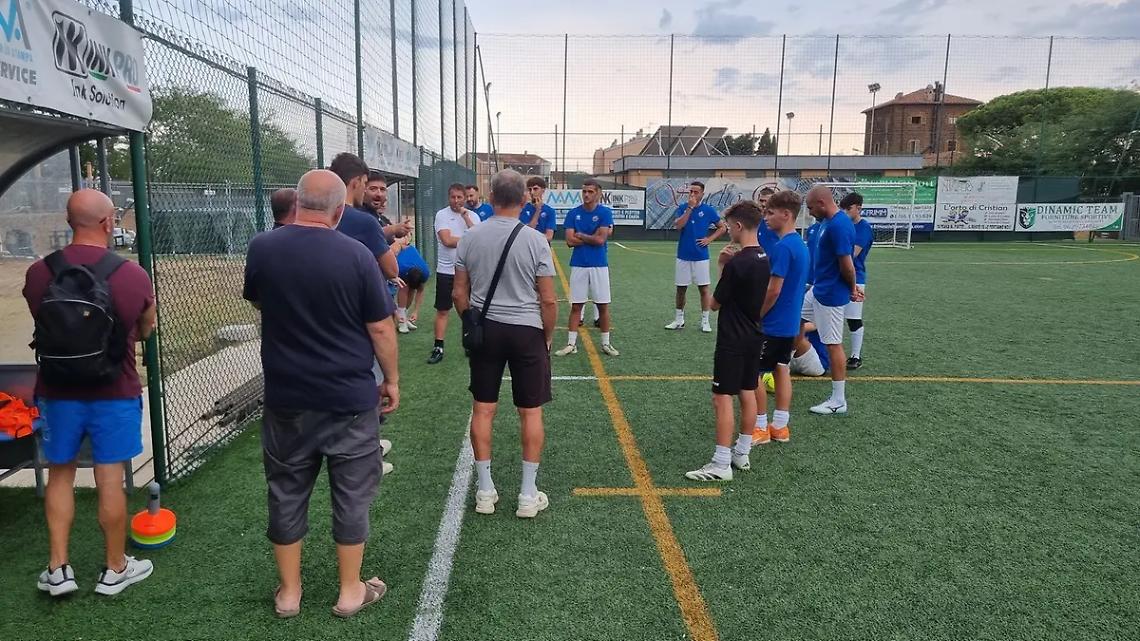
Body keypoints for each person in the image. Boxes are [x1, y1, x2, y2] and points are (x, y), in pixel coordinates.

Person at [243, 169, 400, 619]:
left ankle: (289, 593)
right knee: (351, 493)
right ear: (339, 210)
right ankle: (350, 591)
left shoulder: (263, 247)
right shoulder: (356, 255)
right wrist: (391, 380)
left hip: (287, 396)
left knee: (285, 489)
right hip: (348, 397)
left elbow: (258, 298)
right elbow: (380, 327)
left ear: (297, 203)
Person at [23, 189, 157, 597]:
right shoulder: (132, 275)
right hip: (114, 390)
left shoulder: (39, 273)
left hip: (57, 391)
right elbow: (146, 328)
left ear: (68, 222)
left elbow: (44, 322)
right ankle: (115, 569)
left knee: (60, 474)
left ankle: (58, 569)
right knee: (110, 478)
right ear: (108, 222)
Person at [453, 169, 558, 518]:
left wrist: (471, 322)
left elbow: (459, 293)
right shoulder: (535, 240)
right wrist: (546, 336)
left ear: (491, 197)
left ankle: (485, 491)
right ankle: (527, 494)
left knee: (483, 409)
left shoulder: (470, 236)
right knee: (530, 411)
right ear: (524, 198)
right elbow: (548, 300)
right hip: (526, 330)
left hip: (487, 330)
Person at [684, 200, 769, 482]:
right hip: (754, 334)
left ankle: (721, 464)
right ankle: (741, 452)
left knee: (721, 397)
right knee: (747, 390)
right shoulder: (764, 258)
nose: (728, 231)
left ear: (739, 226)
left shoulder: (738, 263)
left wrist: (721, 265)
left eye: (730, 226)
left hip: (733, 338)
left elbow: (713, 304)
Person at [752, 190, 810, 446]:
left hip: (773, 325)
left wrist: (757, 315)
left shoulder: (783, 247)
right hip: (789, 324)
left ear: (786, 215)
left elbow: (774, 290)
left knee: (752, 373)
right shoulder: (800, 244)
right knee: (781, 369)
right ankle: (780, 426)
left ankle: (760, 426)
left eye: (770, 212)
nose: (765, 217)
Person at [801, 186, 863, 415]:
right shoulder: (826, 222)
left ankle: (838, 400)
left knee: (833, 344)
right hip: (818, 289)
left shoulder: (839, 225)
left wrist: (852, 288)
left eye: (810, 207)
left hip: (831, 295)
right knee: (794, 323)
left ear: (821, 202)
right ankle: (781, 365)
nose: (809, 212)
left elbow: (847, 265)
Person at [555, 178, 619, 357]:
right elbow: (569, 241)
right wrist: (592, 236)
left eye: (590, 192)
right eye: (584, 191)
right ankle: (571, 344)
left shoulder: (605, 212)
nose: (586, 195)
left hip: (599, 265)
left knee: (603, 306)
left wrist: (581, 235)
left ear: (598, 194)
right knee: (576, 306)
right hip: (579, 264)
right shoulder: (573, 213)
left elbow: (601, 240)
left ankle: (606, 344)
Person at [430, 183, 480, 364]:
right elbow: (447, 240)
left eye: (460, 197)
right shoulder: (441, 215)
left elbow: (479, 240)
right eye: (453, 197)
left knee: (469, 310)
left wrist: (466, 218)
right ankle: (438, 347)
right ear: (448, 197)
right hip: (446, 271)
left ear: (465, 198)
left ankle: (470, 342)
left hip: (469, 271)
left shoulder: (473, 216)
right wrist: (470, 239)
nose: (456, 201)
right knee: (443, 310)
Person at [666, 181, 725, 333]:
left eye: (695, 192)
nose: (692, 194)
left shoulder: (708, 210)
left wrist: (709, 239)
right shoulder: (682, 208)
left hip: (701, 257)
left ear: (702, 194)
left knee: (703, 289)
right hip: (683, 256)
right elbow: (678, 225)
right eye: (690, 191)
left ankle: (705, 321)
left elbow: (722, 227)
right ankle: (679, 320)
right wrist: (690, 208)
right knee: (681, 289)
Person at [329, 154, 398, 282]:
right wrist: (397, 245)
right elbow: (392, 271)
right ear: (356, 182)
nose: (364, 190)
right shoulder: (365, 222)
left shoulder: (320, 215)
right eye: (365, 183)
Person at [840, 192, 872, 370]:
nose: (845, 212)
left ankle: (855, 356)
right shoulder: (844, 225)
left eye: (848, 209)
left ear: (858, 208)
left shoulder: (863, 227)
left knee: (853, 318)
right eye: (843, 209)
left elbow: (852, 254)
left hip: (856, 278)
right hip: (839, 276)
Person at [365, 172, 413, 242]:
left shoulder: (380, 218)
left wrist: (400, 232)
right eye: (373, 189)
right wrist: (393, 230)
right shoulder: (358, 214)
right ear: (363, 190)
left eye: (382, 189)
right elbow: (368, 236)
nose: (379, 194)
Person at [396, 241, 431, 334]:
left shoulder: (425, 272)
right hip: (399, 253)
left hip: (410, 253)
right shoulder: (401, 267)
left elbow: (420, 291)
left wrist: (416, 311)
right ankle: (401, 321)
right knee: (404, 288)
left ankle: (405, 317)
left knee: (411, 289)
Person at [520, 176, 557, 244]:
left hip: (542, 248)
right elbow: (527, 233)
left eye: (535, 189)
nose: (532, 192)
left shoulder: (550, 211)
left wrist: (532, 237)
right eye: (530, 189)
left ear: (543, 190)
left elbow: (549, 237)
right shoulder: (522, 209)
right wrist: (538, 210)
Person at [756, 186, 780, 256]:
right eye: (761, 201)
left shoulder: (779, 221)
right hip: (759, 259)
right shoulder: (754, 221)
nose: (763, 204)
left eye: (766, 201)